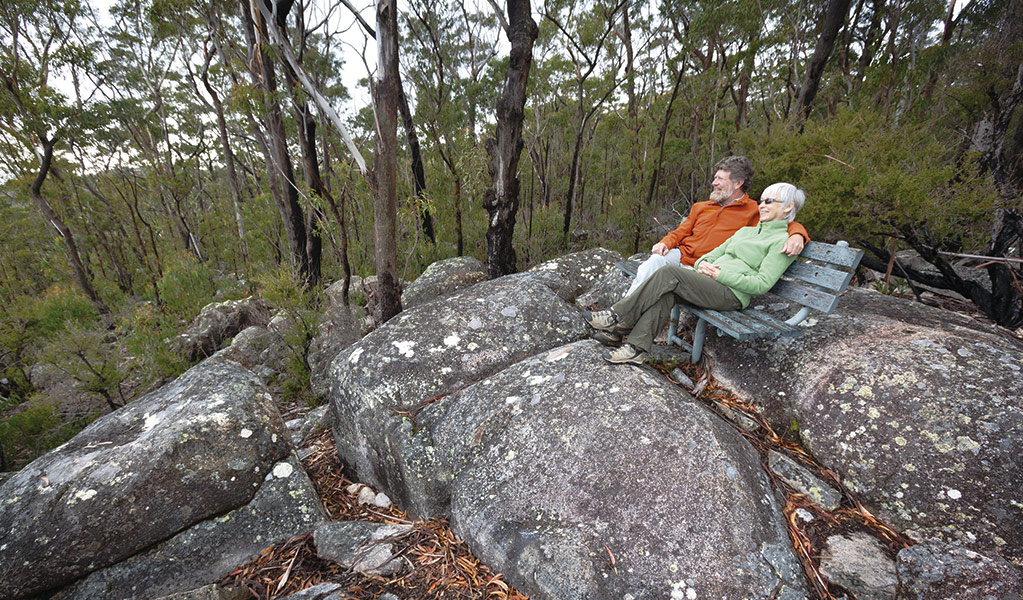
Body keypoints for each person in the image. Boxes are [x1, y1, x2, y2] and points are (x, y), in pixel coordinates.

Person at [584, 182, 806, 365]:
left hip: (732, 294)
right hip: (709, 283)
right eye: (761, 200)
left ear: (788, 207)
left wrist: (719, 276)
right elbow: (709, 255)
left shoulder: (783, 242)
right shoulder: (746, 231)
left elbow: (762, 284)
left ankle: (617, 316)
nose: (761, 206)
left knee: (670, 273)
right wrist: (703, 265)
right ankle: (635, 349)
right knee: (667, 294)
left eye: (769, 201)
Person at [624, 156, 808, 297]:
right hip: (681, 255)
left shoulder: (754, 210)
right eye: (715, 178)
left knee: (665, 279)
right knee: (652, 263)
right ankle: (621, 314)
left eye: (720, 179)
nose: (714, 183)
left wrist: (797, 235)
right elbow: (681, 232)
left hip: (706, 266)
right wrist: (665, 242)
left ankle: (621, 319)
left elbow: (785, 221)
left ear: (738, 183)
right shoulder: (702, 207)